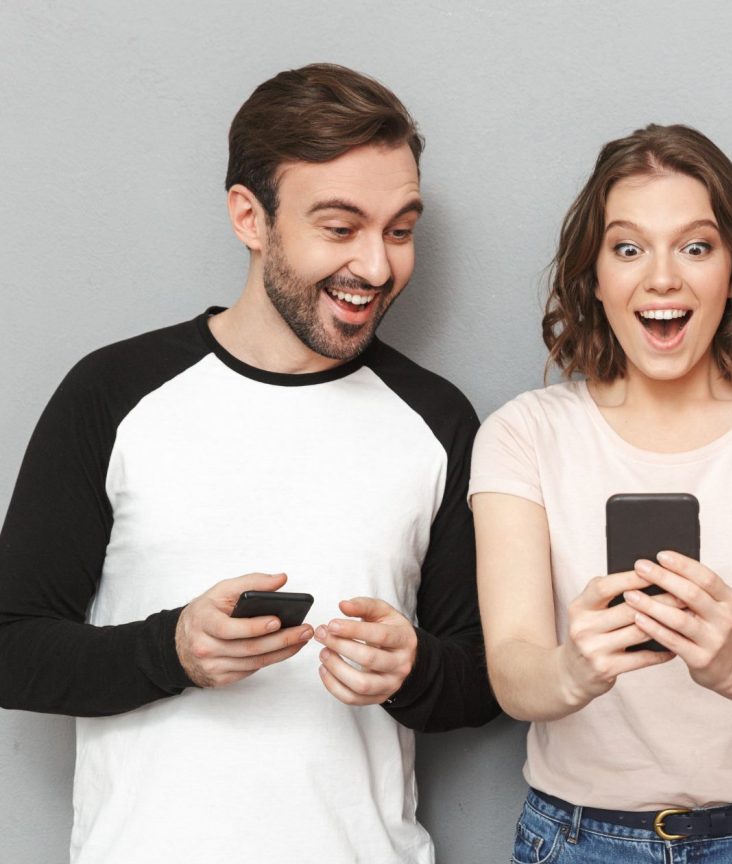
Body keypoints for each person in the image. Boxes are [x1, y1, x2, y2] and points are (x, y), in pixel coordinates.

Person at [0, 63, 500, 863]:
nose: (376, 268)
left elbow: (484, 678)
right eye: (339, 228)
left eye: (400, 230)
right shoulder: (112, 392)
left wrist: (413, 669)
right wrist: (171, 652)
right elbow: (10, 648)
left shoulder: (438, 421)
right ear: (249, 216)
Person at [470, 123, 732, 863]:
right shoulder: (522, 434)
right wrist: (571, 670)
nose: (662, 278)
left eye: (695, 246)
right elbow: (512, 670)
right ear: (594, 275)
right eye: (628, 248)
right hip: (578, 840)